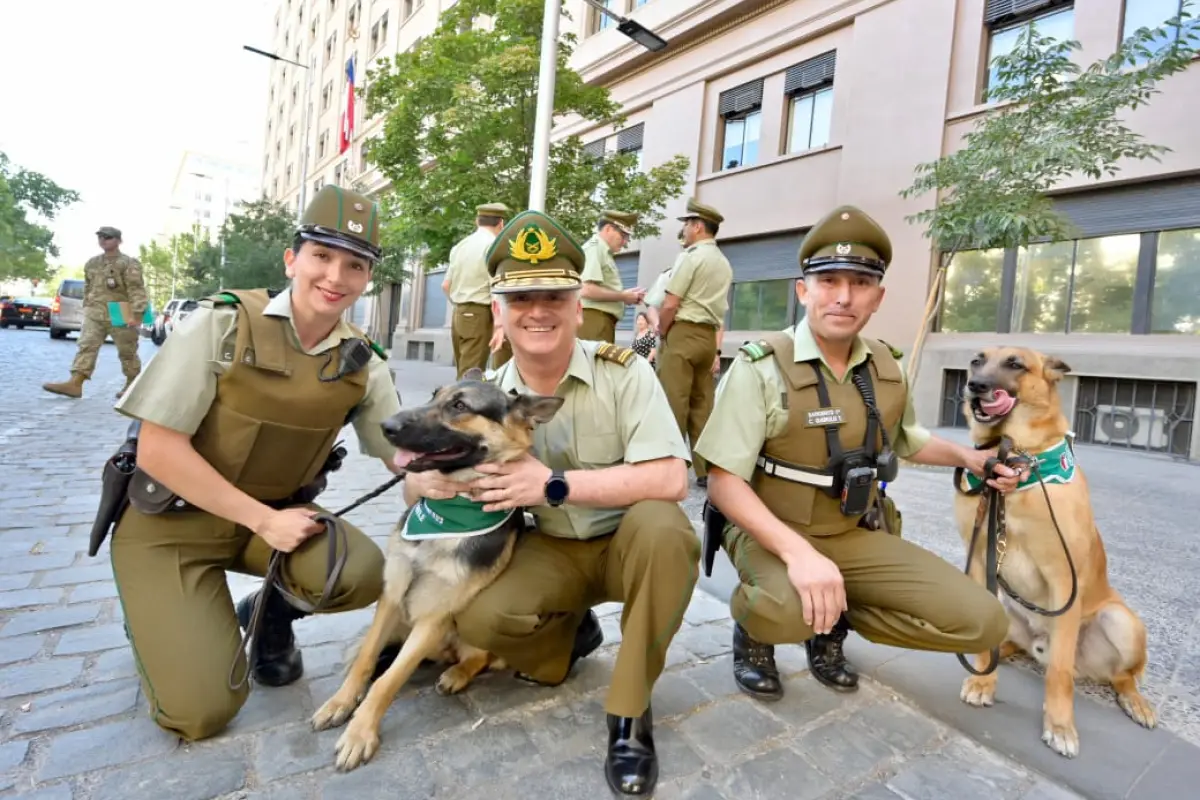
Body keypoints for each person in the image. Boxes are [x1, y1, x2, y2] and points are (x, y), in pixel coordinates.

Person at [402, 210, 699, 796]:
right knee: (483, 618)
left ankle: (630, 713)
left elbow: (671, 478)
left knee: (666, 530)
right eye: (521, 299)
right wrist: (420, 481)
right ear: (498, 313)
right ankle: (567, 634)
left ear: (577, 307)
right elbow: (425, 477)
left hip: (627, 544)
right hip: (548, 550)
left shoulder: (626, 372)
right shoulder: (478, 397)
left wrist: (554, 484)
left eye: (553, 297)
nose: (537, 311)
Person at [107, 185, 403, 741]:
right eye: (322, 256)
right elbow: (158, 449)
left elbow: (401, 456)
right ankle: (154, 615)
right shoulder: (220, 324)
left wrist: (468, 471)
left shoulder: (362, 359)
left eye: (355, 265)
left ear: (367, 279)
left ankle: (266, 616)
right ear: (292, 259)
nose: (335, 277)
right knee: (201, 713)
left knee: (361, 571)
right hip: (170, 525)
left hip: (271, 526)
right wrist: (264, 520)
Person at [693, 204, 1019, 702]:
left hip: (851, 530)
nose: (843, 297)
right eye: (828, 282)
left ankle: (832, 617)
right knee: (781, 608)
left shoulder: (887, 367)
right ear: (804, 291)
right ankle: (758, 633)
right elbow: (722, 482)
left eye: (860, 284)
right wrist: (799, 554)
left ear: (878, 297)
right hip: (768, 529)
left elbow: (908, 439)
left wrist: (972, 460)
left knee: (983, 622)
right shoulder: (761, 366)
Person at [656, 198, 733, 487]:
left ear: (698, 226)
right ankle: (705, 470)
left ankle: (668, 467)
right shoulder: (724, 263)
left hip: (684, 333)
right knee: (703, 406)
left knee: (673, 402)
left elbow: (670, 302)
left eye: (687, 224)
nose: (685, 230)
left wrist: (662, 332)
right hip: (707, 338)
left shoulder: (690, 257)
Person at [43, 226, 148, 399]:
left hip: (120, 309)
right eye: (100, 237)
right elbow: (88, 286)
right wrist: (88, 304)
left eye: (108, 237)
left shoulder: (129, 263)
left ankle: (133, 383)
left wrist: (138, 314)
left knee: (127, 350)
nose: (103, 240)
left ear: (118, 241)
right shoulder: (92, 263)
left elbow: (136, 289)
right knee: (86, 345)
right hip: (95, 310)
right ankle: (75, 383)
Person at [443, 202, 513, 377]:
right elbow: (496, 289)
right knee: (471, 376)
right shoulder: (493, 246)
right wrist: (499, 324)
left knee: (464, 371)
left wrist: (462, 303)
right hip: (479, 314)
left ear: (477, 221)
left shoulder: (460, 246)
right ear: (501, 223)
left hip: (459, 313)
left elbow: (445, 286)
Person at [579, 210, 644, 343]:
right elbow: (586, 289)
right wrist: (623, 296)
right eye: (623, 235)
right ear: (608, 229)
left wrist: (625, 296)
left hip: (599, 321)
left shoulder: (603, 252)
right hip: (594, 320)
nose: (625, 241)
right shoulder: (594, 248)